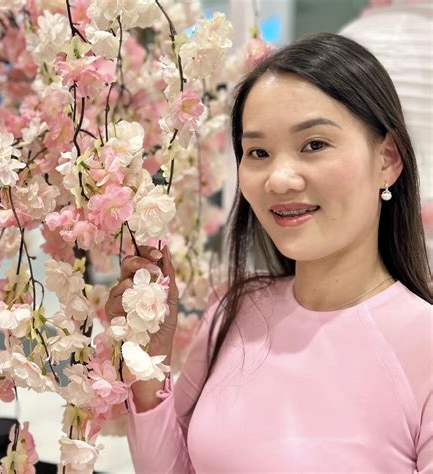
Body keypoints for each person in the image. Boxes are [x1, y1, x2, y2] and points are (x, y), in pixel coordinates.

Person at [105, 32, 433, 473]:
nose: (278, 180)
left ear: (388, 159)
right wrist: (148, 364)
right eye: (258, 151)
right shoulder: (234, 310)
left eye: (314, 145)